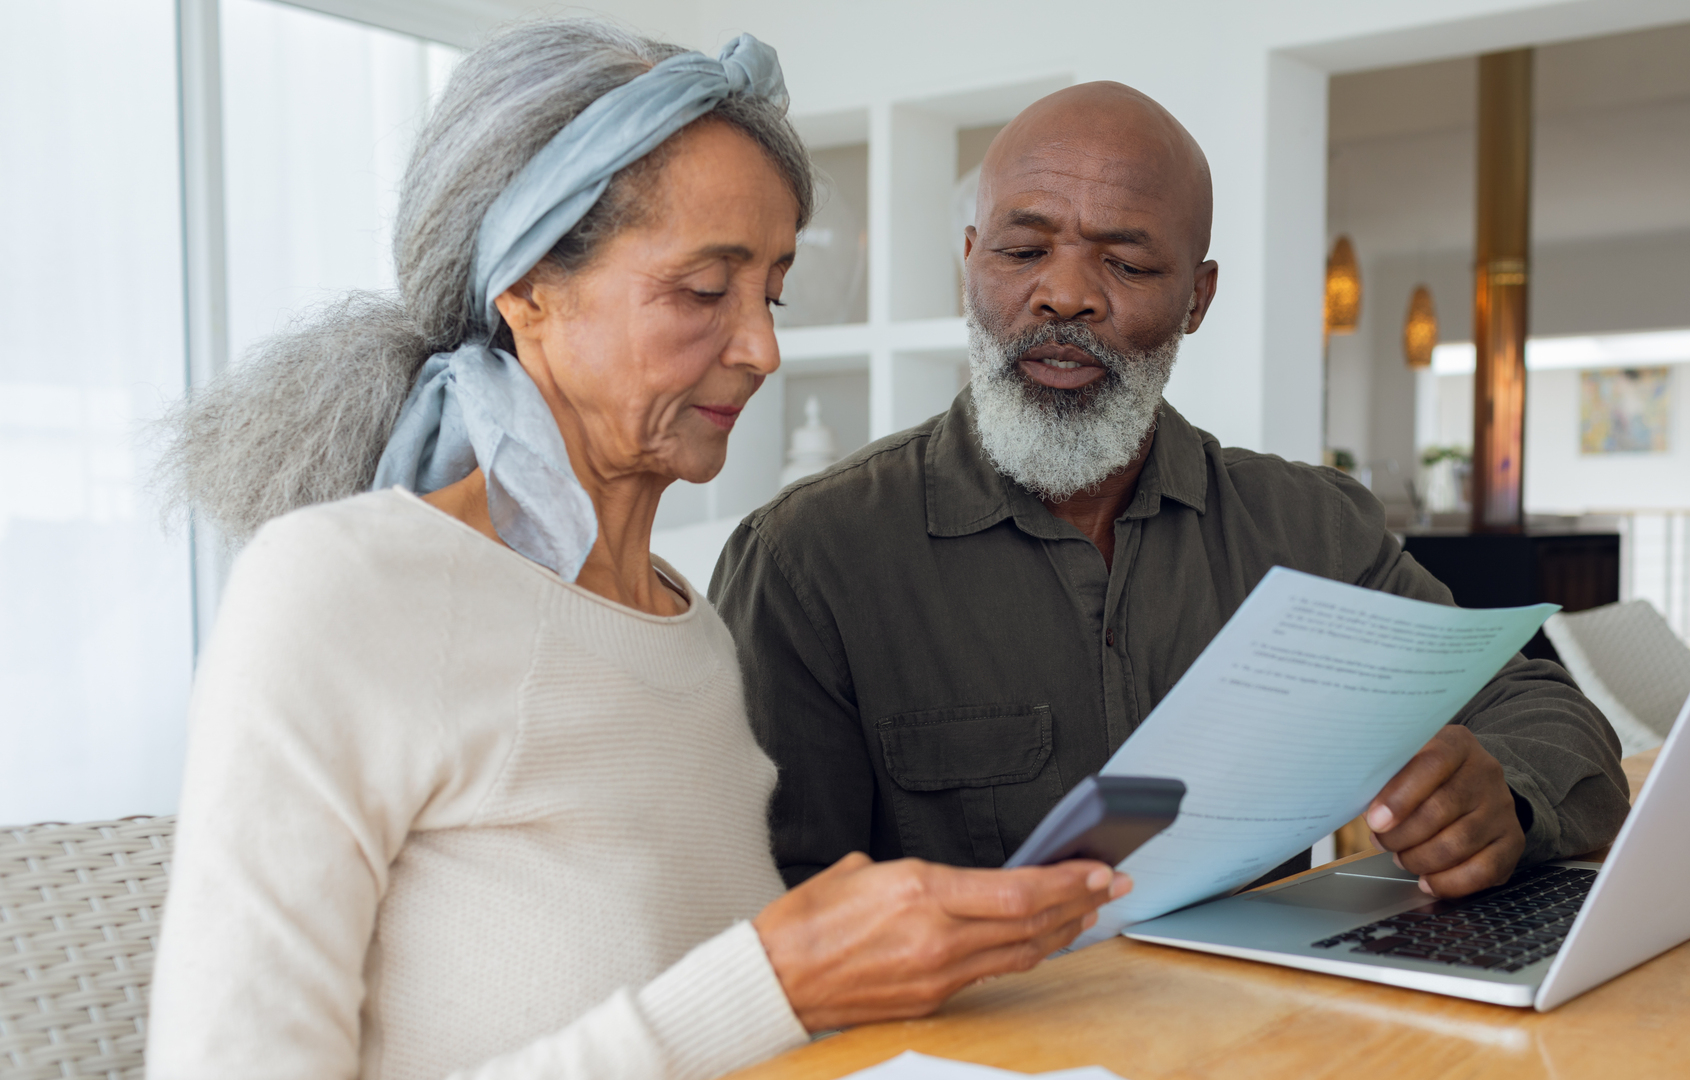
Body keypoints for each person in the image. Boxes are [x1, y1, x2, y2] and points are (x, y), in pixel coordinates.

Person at [145, 23, 1125, 1080]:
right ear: (526, 288)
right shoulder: (339, 591)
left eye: (773, 292)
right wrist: (778, 980)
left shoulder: (691, 632)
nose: (762, 349)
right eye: (705, 291)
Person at [711, 82, 1630, 902]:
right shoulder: (810, 560)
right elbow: (764, 917)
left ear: (1198, 297)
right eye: (1023, 250)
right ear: (970, 261)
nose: (1063, 295)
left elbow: (1552, 718)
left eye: (1128, 265)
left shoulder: (1309, 530)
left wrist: (1497, 793)